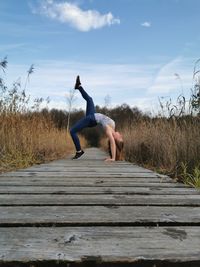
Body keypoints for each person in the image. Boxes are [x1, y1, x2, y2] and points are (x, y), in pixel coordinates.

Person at [70, 76, 124, 161]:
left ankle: (79, 151)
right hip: (92, 115)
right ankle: (79, 86)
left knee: (72, 131)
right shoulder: (113, 127)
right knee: (89, 99)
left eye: (120, 138)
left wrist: (113, 158)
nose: (121, 135)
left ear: (115, 139)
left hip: (92, 119)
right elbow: (114, 143)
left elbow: (112, 143)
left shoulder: (109, 131)